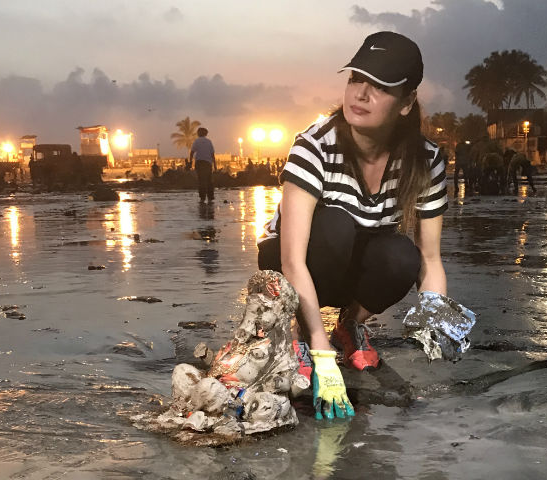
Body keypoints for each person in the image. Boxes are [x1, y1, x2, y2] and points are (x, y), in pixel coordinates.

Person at [257, 31, 448, 420]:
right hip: (296, 261)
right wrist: (321, 353)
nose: (360, 94)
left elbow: (430, 258)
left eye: (379, 86)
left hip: (358, 259)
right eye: (355, 79)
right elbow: (293, 260)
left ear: (407, 102)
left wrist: (437, 319)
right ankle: (298, 336)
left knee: (402, 256)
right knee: (337, 227)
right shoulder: (314, 145)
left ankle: (350, 325)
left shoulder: (425, 160)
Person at [190, 127, 217, 202]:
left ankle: (202, 198)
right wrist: (215, 165)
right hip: (208, 163)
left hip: (199, 163)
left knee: (201, 180)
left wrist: (190, 162)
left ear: (199, 133)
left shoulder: (196, 141)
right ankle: (210, 197)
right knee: (209, 180)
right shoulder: (209, 142)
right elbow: (212, 155)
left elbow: (192, 152)